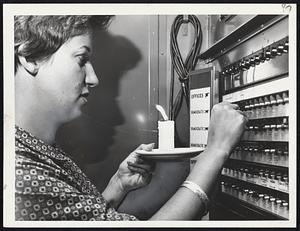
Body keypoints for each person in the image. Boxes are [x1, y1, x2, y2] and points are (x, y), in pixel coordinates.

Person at [14, 15, 247, 221]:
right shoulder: (22, 175)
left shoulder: (36, 150)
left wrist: (118, 185)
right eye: (82, 60)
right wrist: (216, 151)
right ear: (30, 57)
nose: (94, 78)